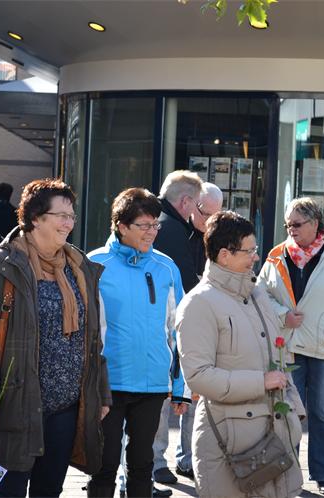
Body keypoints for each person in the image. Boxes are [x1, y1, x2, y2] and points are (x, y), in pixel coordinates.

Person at [0, 178, 111, 498]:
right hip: (14, 406)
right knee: (6, 491)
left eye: (71, 216)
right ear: (35, 218)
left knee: (49, 491)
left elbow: (92, 338)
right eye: (61, 216)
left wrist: (101, 392)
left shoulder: (78, 266)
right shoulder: (5, 262)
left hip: (65, 409)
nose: (69, 223)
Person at [176, 211, 304, 498]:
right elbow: (199, 376)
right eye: (249, 251)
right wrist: (261, 382)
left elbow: (279, 358)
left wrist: (295, 412)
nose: (256, 257)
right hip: (228, 446)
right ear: (224, 255)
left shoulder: (257, 294)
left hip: (273, 439)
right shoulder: (198, 304)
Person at [257, 197, 324, 496]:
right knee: (287, 413)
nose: (291, 229)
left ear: (315, 224)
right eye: (287, 225)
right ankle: (288, 472)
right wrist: (283, 315)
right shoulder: (276, 255)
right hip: (288, 347)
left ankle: (323, 474)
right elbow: (261, 295)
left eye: (297, 224)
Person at [86, 187, 187, 498]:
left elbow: (179, 330)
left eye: (155, 224)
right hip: (107, 384)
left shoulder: (166, 267)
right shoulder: (94, 263)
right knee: (102, 465)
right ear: (121, 226)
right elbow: (83, 331)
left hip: (153, 383)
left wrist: (180, 387)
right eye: (144, 225)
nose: (152, 232)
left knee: (143, 465)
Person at [167, 181, 223, 484]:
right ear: (190, 206)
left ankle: (191, 457)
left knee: (198, 391)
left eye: (216, 214)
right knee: (174, 393)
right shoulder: (175, 232)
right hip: (177, 322)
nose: (210, 220)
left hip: (207, 323)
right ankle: (170, 458)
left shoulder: (216, 235)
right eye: (205, 213)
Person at [150, 170, 202, 487]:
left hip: (157, 324)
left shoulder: (158, 221)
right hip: (165, 327)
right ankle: (157, 462)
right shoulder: (170, 228)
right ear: (185, 202)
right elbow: (186, 286)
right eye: (197, 205)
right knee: (163, 395)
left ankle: (160, 461)